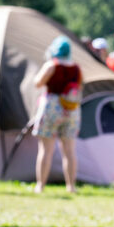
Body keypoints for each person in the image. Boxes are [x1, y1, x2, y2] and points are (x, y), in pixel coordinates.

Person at [32, 36, 82, 193]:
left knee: (46, 149)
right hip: (71, 109)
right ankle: (71, 186)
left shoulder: (51, 65)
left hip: (52, 107)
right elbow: (80, 86)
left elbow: (38, 82)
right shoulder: (76, 68)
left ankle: (40, 185)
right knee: (69, 150)